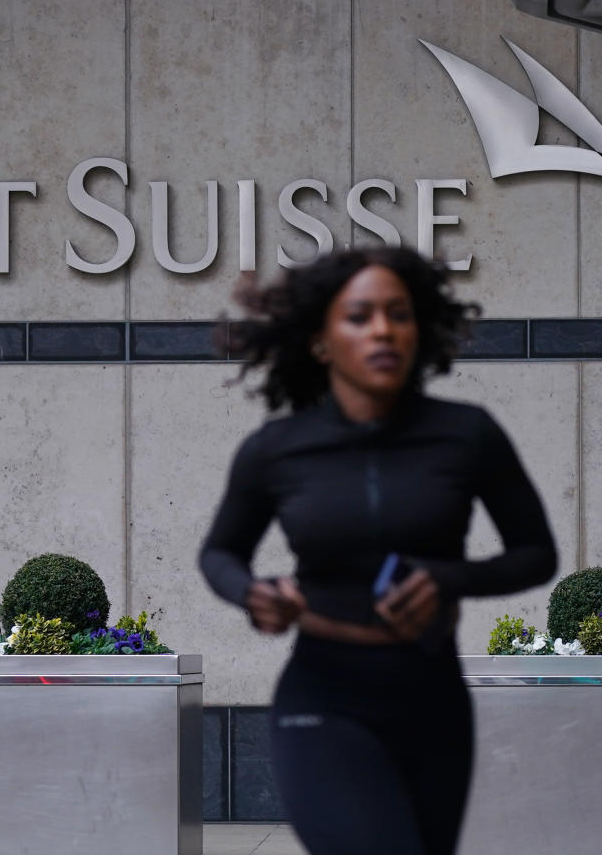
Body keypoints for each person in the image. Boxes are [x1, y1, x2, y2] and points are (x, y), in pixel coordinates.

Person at [199, 247, 557, 855]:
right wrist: (255, 594)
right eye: (360, 316)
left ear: (420, 331)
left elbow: (535, 553)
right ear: (321, 341)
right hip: (323, 701)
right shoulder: (277, 450)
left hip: (433, 703)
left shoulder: (469, 434)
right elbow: (220, 554)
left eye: (399, 314)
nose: (383, 330)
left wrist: (446, 579)